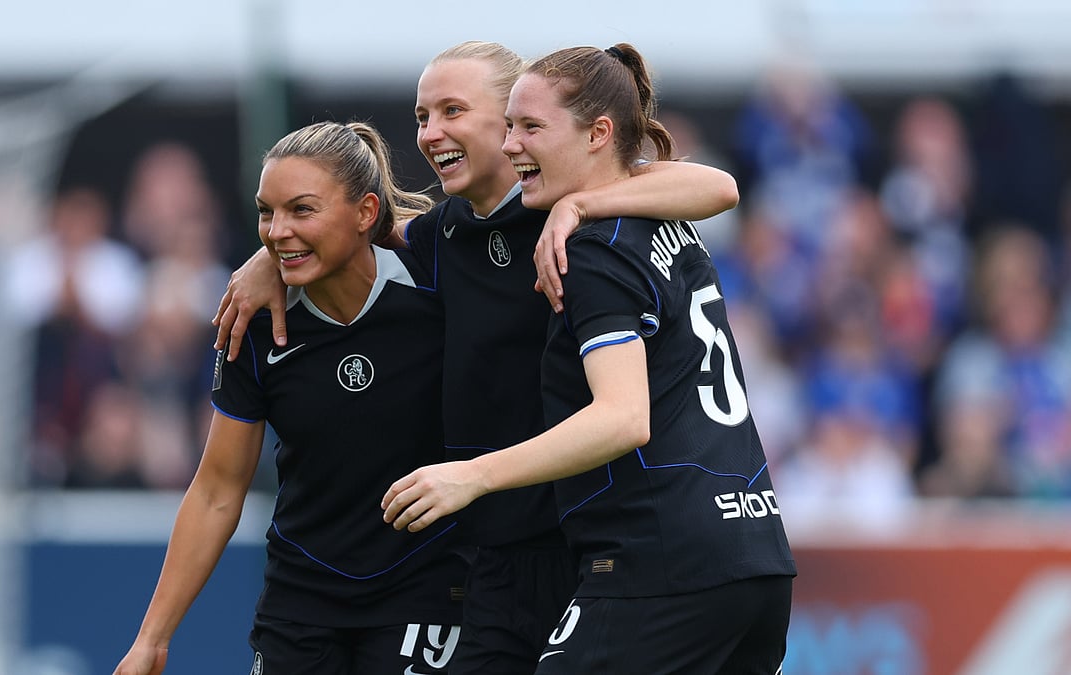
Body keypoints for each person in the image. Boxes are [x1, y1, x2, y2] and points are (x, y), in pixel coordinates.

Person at [212, 41, 740, 674]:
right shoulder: (445, 233)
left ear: (512, 121)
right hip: (494, 553)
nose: (431, 134)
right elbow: (337, 226)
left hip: (591, 544)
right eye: (421, 116)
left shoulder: (570, 214)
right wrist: (267, 260)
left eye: (453, 111)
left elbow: (719, 186)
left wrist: (581, 203)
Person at [382, 43, 796, 674]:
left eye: (528, 127)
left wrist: (471, 474)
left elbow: (623, 418)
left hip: (658, 559)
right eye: (421, 115)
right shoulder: (657, 219)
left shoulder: (589, 249)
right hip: (751, 548)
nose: (516, 143)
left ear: (598, 133)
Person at [114, 121, 466, 675]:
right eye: (266, 212)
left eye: (302, 210)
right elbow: (216, 490)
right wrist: (152, 639)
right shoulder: (249, 325)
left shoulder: (438, 279)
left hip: (425, 588)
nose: (277, 232)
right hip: (300, 600)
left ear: (366, 213)